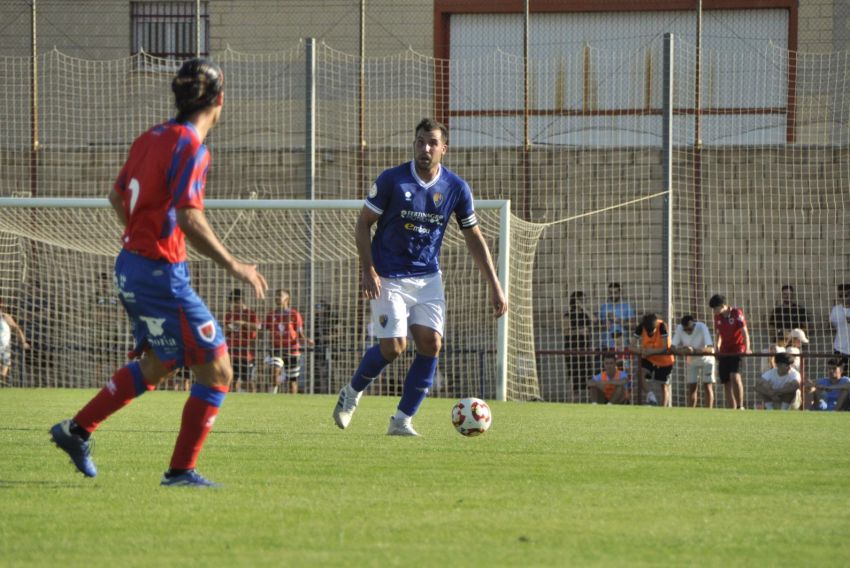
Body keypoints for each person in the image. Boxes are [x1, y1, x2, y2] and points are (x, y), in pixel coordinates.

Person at [49, 58, 268, 487]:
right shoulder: (192, 146)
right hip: (160, 273)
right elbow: (190, 217)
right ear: (220, 101)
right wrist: (234, 264)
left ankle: (76, 431)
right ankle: (180, 471)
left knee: (162, 361)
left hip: (130, 266)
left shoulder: (149, 138)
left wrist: (141, 236)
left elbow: (116, 197)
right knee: (219, 368)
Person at [332, 118, 508, 436]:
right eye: (420, 142)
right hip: (389, 277)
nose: (425, 149)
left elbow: (474, 237)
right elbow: (362, 224)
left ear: (444, 149)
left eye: (431, 144)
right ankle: (352, 391)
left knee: (431, 344)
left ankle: (401, 420)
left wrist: (495, 285)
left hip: (428, 278)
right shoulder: (392, 181)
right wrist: (367, 269)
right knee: (394, 346)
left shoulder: (456, 188)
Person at [264, 289, 314, 394]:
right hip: (276, 348)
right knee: (274, 372)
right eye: (276, 296)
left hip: (292, 350)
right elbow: (263, 328)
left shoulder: (294, 314)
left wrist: (306, 340)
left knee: (292, 381)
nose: (277, 298)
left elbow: (299, 333)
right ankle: (271, 396)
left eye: (280, 296)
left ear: (287, 299)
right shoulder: (271, 315)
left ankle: (292, 401)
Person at [710, 294, 751, 410]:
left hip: (737, 349)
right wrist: (717, 347)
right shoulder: (717, 317)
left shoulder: (737, 313)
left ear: (723, 306)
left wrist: (747, 348)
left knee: (735, 376)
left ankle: (740, 406)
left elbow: (744, 332)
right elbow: (718, 334)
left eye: (715, 308)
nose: (714, 311)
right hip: (724, 350)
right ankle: (732, 409)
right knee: (726, 381)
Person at [670, 314, 716, 408]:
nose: (688, 332)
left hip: (706, 360)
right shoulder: (679, 328)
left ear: (694, 325)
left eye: (690, 329)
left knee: (707, 386)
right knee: (692, 388)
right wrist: (681, 351)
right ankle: (691, 412)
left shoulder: (702, 327)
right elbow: (672, 347)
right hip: (691, 361)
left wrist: (694, 350)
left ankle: (709, 412)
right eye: (685, 329)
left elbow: (710, 349)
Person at [631, 312, 675, 407]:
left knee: (664, 386)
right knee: (640, 374)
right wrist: (640, 350)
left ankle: (663, 410)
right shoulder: (641, 326)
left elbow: (665, 348)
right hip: (649, 358)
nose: (650, 333)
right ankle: (651, 396)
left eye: (652, 331)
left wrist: (651, 351)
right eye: (648, 331)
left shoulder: (662, 326)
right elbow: (631, 346)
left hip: (664, 360)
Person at [223, 288, 260, 393]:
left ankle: (254, 399)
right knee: (232, 378)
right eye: (233, 302)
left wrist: (243, 323)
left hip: (246, 351)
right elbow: (225, 331)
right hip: (232, 350)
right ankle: (233, 399)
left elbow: (257, 327)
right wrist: (230, 327)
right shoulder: (229, 314)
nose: (234, 304)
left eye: (237, 301)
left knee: (247, 380)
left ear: (242, 300)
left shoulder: (250, 313)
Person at [564, 290, 594, 400]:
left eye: (584, 300)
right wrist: (579, 331)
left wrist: (584, 309)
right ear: (574, 301)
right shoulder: (568, 314)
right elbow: (565, 331)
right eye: (580, 300)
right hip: (572, 350)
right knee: (573, 376)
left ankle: (593, 402)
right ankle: (573, 401)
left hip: (585, 349)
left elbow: (595, 321)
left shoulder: (585, 314)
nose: (583, 302)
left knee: (588, 375)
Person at [0, 301, 31, 385]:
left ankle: (2, 382)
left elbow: (17, 329)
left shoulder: (5, 317)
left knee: (4, 369)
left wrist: (23, 342)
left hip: (4, 347)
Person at [599, 282, 635, 351]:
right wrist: (604, 325)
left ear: (620, 293)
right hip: (606, 344)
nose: (613, 295)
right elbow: (598, 326)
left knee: (621, 362)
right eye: (610, 293)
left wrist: (617, 320)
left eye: (615, 293)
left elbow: (633, 326)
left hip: (622, 345)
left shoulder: (627, 307)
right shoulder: (603, 307)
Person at [829, 284, 850, 371]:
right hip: (840, 348)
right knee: (840, 377)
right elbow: (831, 327)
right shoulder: (835, 309)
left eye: (846, 295)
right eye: (841, 295)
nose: (844, 298)